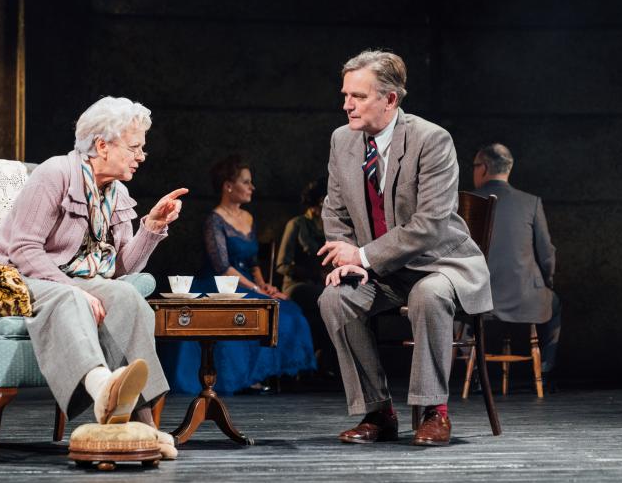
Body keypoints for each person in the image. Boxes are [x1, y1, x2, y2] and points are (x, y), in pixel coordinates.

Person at [0, 97, 187, 447]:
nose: (141, 156)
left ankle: (144, 425)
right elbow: (23, 249)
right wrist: (76, 289)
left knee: (127, 296)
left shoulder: (116, 192)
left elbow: (123, 268)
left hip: (78, 280)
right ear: (102, 145)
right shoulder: (55, 174)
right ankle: (102, 390)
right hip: (21, 277)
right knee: (70, 298)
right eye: (135, 147)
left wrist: (151, 227)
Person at [317, 50, 492, 447]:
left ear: (390, 99)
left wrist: (363, 256)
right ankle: (379, 411)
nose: (347, 104)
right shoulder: (341, 140)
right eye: (345, 95)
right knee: (335, 299)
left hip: (439, 265)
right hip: (382, 272)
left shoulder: (431, 140)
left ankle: (434, 411)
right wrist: (349, 258)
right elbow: (335, 211)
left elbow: (428, 226)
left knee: (428, 294)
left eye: (358, 96)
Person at [159, 155, 316, 395]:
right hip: (221, 283)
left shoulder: (248, 218)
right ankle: (241, 378)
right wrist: (256, 290)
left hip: (249, 281)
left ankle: (265, 374)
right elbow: (223, 266)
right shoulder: (215, 220)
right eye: (246, 182)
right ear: (228, 186)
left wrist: (265, 286)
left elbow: (253, 262)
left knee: (288, 310)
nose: (252, 187)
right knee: (243, 311)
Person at [472, 143, 561, 387]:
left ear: (485, 168)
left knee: (460, 313)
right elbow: (546, 253)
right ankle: (544, 371)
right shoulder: (530, 202)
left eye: (474, 166)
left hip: (479, 298)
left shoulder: (468, 202)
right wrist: (546, 282)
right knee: (554, 303)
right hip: (525, 297)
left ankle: (477, 371)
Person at [276, 178, 337, 376]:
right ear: (320, 201)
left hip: (323, 284)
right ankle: (321, 361)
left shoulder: (331, 226)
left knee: (339, 299)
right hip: (297, 285)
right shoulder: (297, 224)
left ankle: (327, 362)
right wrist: (312, 273)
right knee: (327, 297)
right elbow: (281, 265)